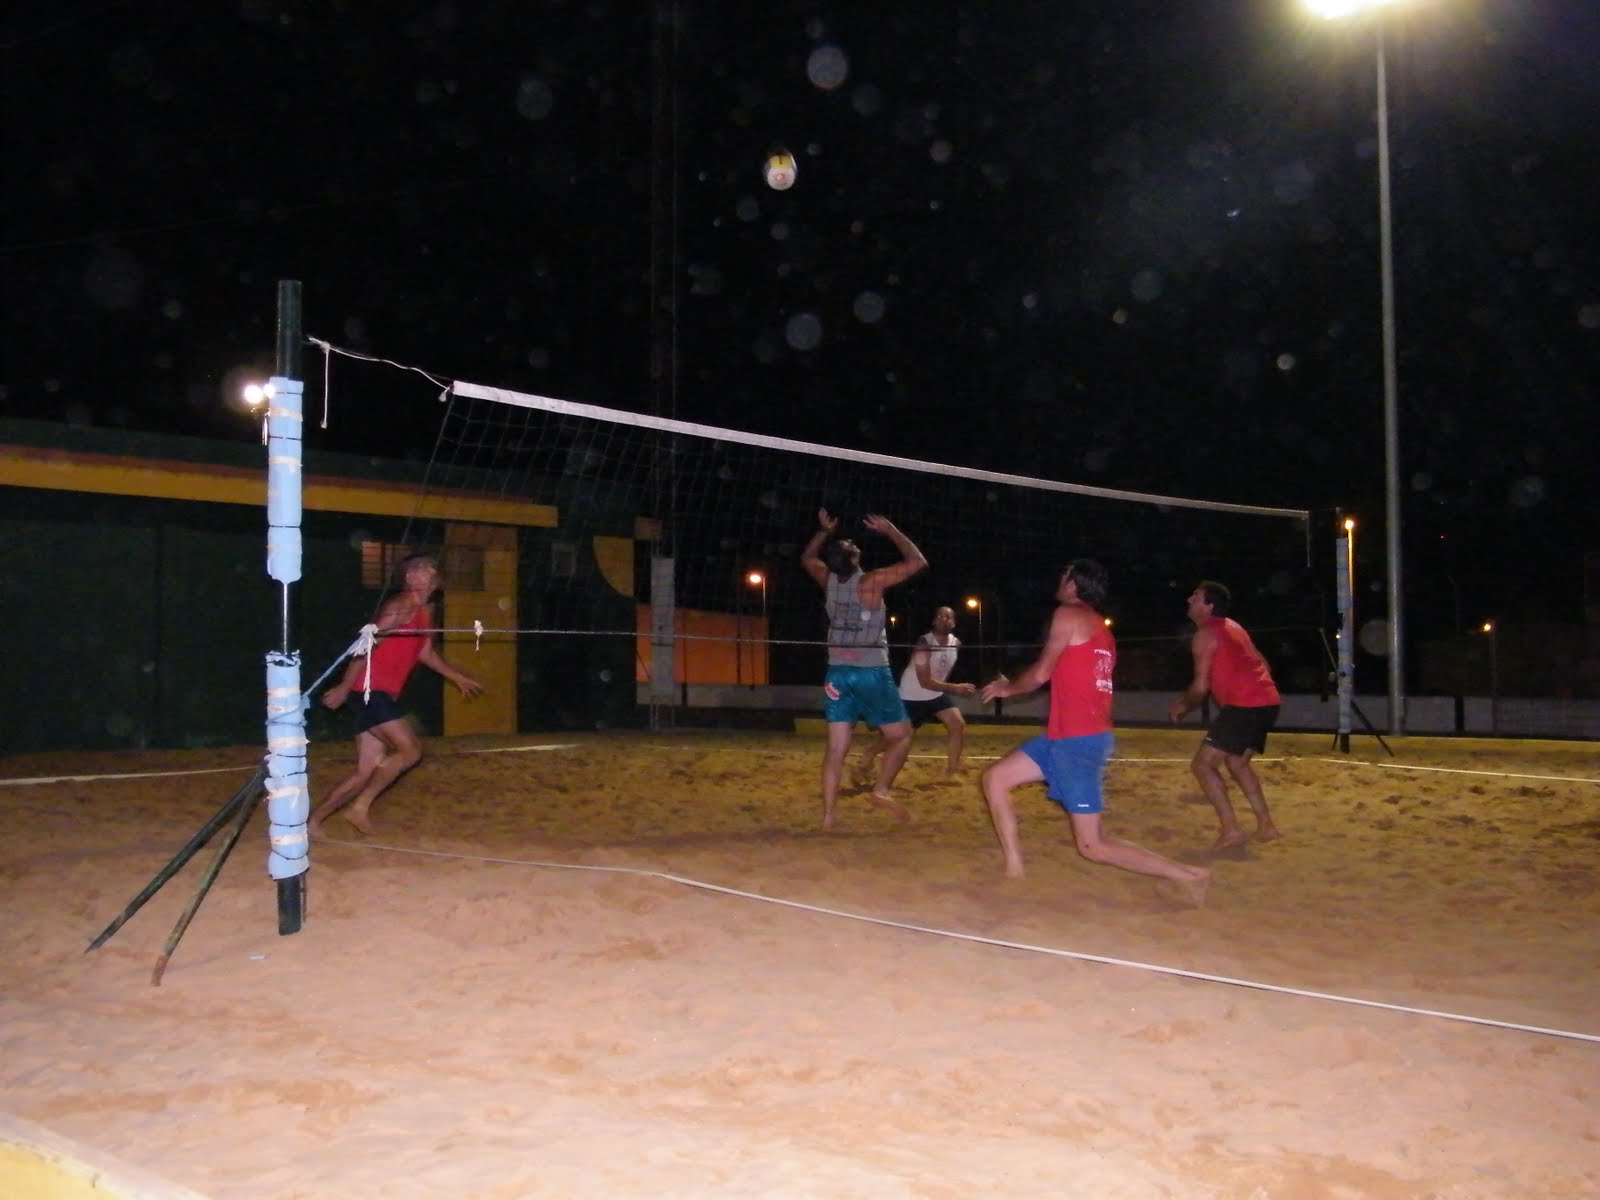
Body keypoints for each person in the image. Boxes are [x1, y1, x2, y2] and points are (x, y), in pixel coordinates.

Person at [978, 560, 1210, 906]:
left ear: (1075, 584)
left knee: (1092, 846)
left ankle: (1190, 876)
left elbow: (1041, 673)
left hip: (1078, 742)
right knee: (995, 778)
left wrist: (1008, 687)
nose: (1059, 580)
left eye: (1064, 576)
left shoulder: (1068, 614)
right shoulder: (1101, 628)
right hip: (1064, 736)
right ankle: (1014, 869)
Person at [310, 553, 482, 836]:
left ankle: (314, 820)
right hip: (368, 691)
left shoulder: (425, 612)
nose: (427, 573)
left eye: (430, 569)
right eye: (420, 569)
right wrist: (344, 686)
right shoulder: (400, 606)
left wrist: (457, 677)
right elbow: (365, 645)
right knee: (411, 751)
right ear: (409, 577)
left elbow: (425, 653)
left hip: (379, 694)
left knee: (365, 771)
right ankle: (359, 808)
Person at [800, 508, 927, 829]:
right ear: (855, 559)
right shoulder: (871, 582)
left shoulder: (827, 579)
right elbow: (918, 562)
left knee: (836, 750)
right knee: (902, 735)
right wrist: (891, 530)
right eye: (852, 545)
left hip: (837, 673)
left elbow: (807, 558)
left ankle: (829, 816)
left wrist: (823, 532)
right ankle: (881, 789)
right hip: (871, 671)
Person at [1168, 579, 1283, 850]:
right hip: (1267, 701)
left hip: (1245, 705)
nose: (1189, 600)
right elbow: (1263, 664)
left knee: (1203, 765)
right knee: (1237, 763)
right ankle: (1266, 826)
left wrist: (1183, 705)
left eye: (1196, 596)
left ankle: (1231, 830)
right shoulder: (1234, 626)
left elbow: (1200, 687)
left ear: (1208, 606)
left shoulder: (1206, 634)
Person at [856, 605, 977, 785]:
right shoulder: (924, 644)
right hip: (911, 697)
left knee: (957, 724)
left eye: (948, 617)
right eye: (940, 616)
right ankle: (871, 752)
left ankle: (951, 772)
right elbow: (924, 681)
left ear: (954, 623)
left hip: (935, 695)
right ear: (934, 621)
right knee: (898, 739)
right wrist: (955, 688)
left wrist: (946, 687)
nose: (944, 619)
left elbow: (943, 671)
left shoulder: (956, 643)